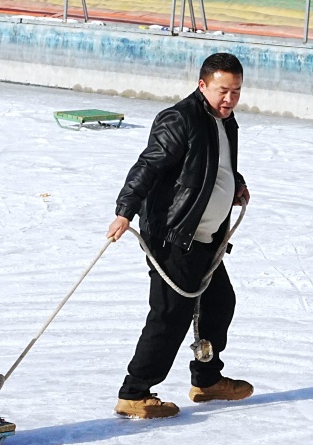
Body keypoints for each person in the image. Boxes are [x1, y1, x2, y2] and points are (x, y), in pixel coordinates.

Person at [106, 52, 253, 419]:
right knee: (170, 315)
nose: (230, 99)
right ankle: (134, 392)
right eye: (223, 90)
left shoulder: (225, 120)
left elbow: (212, 167)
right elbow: (149, 166)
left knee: (219, 304)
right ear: (202, 84)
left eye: (236, 91)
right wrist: (125, 211)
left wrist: (235, 184)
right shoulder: (179, 118)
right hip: (175, 237)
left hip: (207, 238)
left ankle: (206, 379)